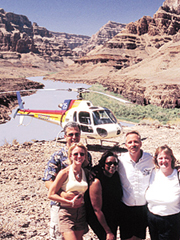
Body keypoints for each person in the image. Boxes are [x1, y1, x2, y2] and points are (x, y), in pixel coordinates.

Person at [42, 122, 92, 240]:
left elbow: (88, 176)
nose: (74, 137)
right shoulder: (57, 157)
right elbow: (48, 181)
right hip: (60, 206)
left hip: (80, 207)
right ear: (65, 136)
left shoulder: (86, 155)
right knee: (59, 237)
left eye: (77, 134)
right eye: (71, 134)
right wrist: (63, 195)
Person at [48, 142, 89, 240]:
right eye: (76, 154)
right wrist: (69, 202)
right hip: (67, 213)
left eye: (82, 154)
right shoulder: (64, 173)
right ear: (70, 156)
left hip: (81, 212)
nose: (79, 156)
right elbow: (51, 194)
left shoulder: (85, 172)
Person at [118, 130, 154, 240]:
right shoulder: (120, 160)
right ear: (125, 145)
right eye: (130, 142)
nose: (133, 145)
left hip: (143, 208)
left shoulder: (151, 159)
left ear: (141, 143)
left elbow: (166, 167)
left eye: (136, 142)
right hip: (126, 207)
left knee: (140, 237)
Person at [84, 151, 123, 240]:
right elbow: (96, 209)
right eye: (109, 163)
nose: (112, 166)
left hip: (111, 214)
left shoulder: (116, 176)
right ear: (103, 164)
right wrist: (108, 231)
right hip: (97, 216)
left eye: (115, 163)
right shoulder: (96, 181)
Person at [145, 145, 180, 240]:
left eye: (166, 158)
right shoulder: (153, 173)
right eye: (160, 158)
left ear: (172, 159)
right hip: (152, 219)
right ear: (156, 159)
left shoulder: (177, 175)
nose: (163, 161)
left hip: (171, 220)